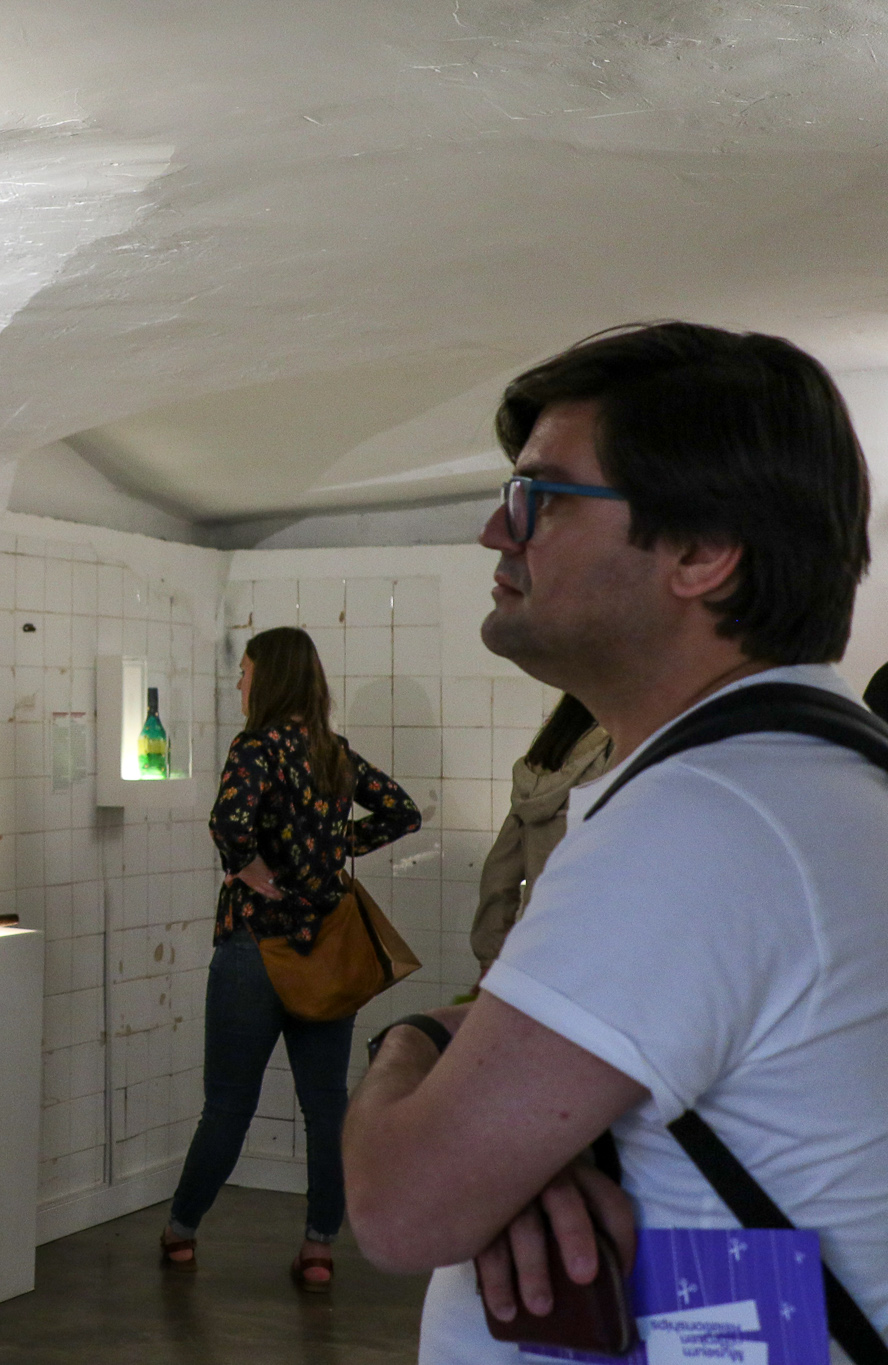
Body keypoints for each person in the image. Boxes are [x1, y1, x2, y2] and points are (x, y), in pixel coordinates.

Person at [339, 322, 888, 1363]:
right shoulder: (813, 772)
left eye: (538, 498)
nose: (495, 534)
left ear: (700, 552)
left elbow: (401, 1208)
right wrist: (532, 1140)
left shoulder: (707, 819)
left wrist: (409, 1040)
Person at [161, 626, 420, 1289]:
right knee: (326, 1106)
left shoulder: (255, 748)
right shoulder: (334, 753)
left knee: (227, 1106)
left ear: (268, 678)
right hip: (326, 951)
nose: (239, 682)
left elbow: (228, 822)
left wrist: (251, 868)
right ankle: (318, 1249)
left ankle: (182, 1233)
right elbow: (403, 812)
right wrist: (333, 849)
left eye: (245, 671)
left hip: (254, 948)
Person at [470, 695, 610, 973]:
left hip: (538, 948)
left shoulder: (545, 758)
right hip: (601, 951)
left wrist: (490, 955)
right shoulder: (624, 755)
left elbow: (500, 871)